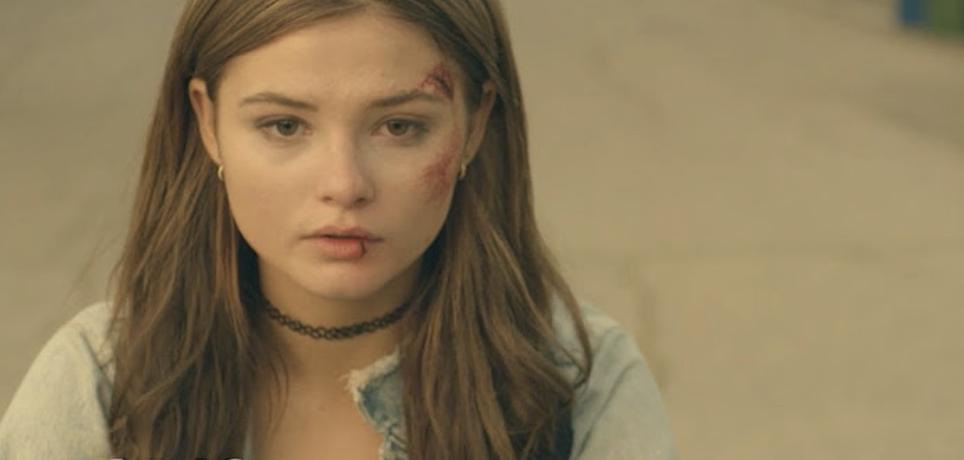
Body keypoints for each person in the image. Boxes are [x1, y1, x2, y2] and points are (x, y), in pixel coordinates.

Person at [0, 0, 678, 459]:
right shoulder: (100, 387)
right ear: (208, 123)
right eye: (285, 125)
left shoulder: (577, 386)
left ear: (474, 124)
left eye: (400, 126)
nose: (345, 183)